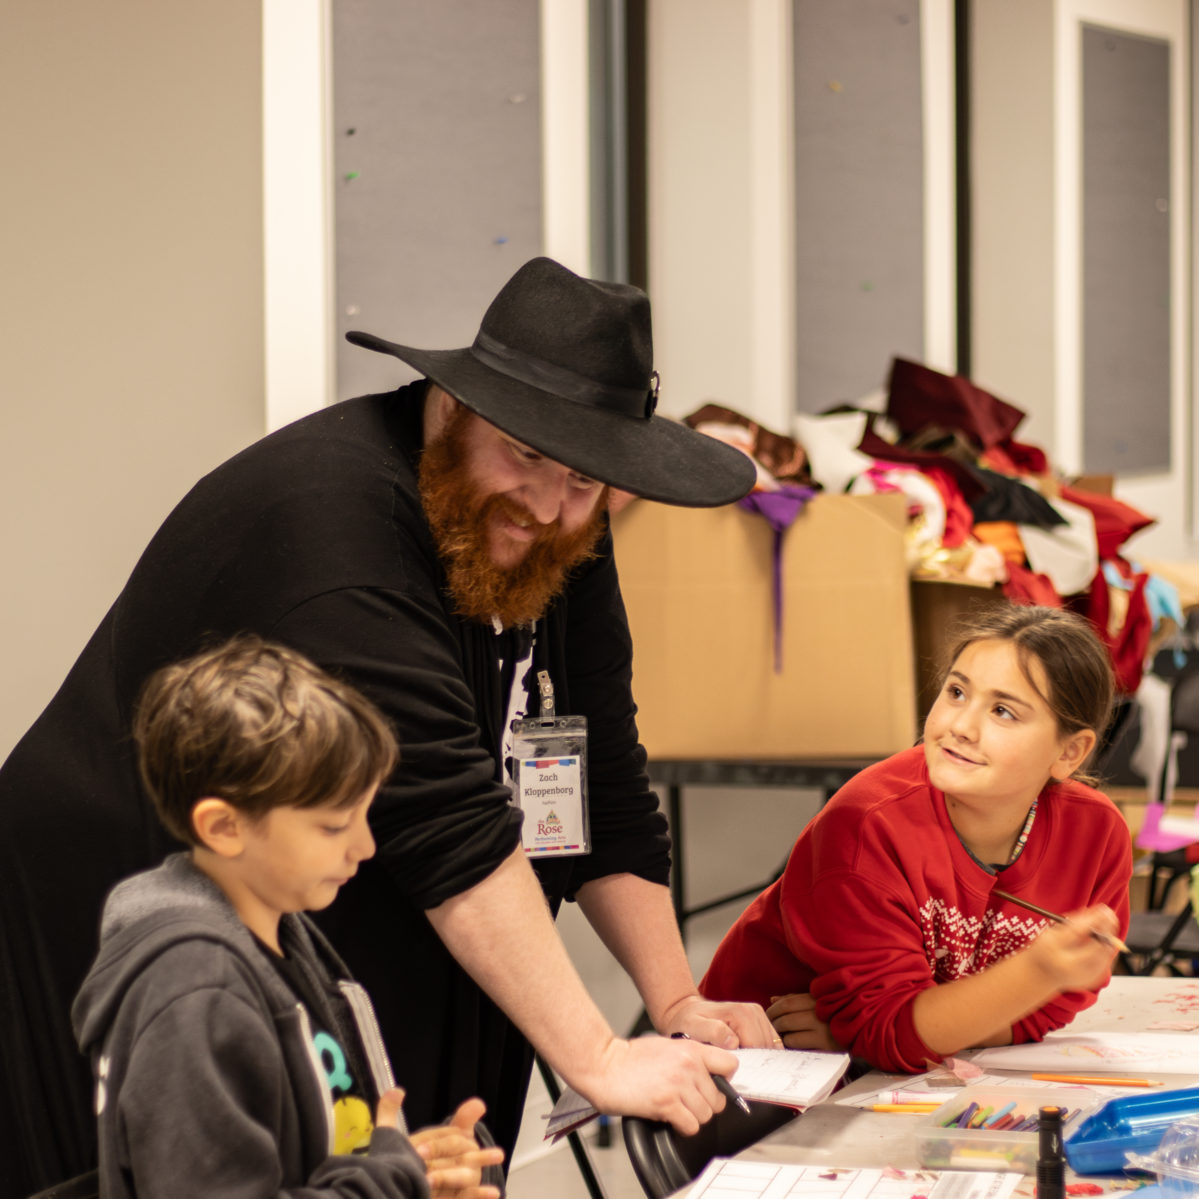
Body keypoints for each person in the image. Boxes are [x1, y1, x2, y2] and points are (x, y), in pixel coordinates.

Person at [0, 255, 775, 1197]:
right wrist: (600, 1055)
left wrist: (675, 998)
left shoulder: (562, 517)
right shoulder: (335, 522)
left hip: (328, 915)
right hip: (137, 924)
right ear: (453, 406)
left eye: (581, 480)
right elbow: (445, 818)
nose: (544, 504)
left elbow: (599, 765)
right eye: (525, 454)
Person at [71, 637, 504, 1199]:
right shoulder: (195, 992)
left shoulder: (278, 935)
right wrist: (391, 1180)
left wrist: (412, 1174)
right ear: (223, 827)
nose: (366, 846)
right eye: (333, 825)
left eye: (365, 816)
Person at [699, 602, 1132, 1072]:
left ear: (1070, 752)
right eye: (957, 692)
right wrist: (1034, 975)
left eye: (1004, 711)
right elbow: (894, 1033)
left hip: (881, 1068)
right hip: (754, 1069)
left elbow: (1049, 1007)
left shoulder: (1097, 836)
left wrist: (869, 1036)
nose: (961, 726)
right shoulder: (866, 824)